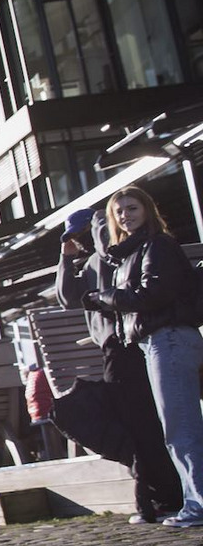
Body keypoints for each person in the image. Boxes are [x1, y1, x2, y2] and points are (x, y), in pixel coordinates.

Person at [82, 185, 203, 528]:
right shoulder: (130, 252)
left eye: (132, 208)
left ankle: (198, 505)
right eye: (119, 211)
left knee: (182, 429)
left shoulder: (157, 245)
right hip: (158, 343)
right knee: (179, 428)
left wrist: (105, 298)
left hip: (170, 339)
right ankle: (194, 502)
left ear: (148, 209)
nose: (125, 215)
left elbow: (151, 294)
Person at [58, 206, 184, 524]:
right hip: (118, 348)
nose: (83, 240)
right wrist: (65, 257)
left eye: (85, 232)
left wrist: (99, 225)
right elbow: (66, 297)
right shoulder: (90, 263)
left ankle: (156, 499)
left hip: (128, 345)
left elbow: (104, 252)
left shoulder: (117, 254)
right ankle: (155, 497)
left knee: (141, 422)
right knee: (138, 422)